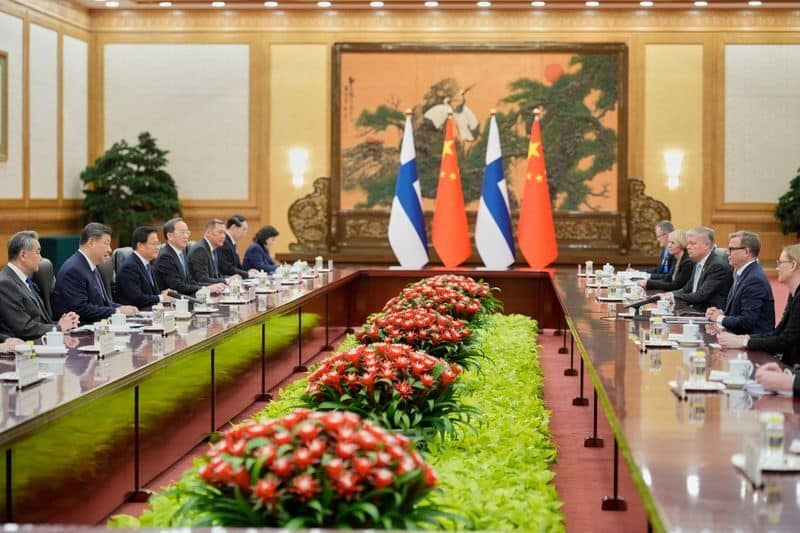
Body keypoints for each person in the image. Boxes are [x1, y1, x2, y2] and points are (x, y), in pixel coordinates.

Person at [719, 243, 800, 367]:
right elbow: (778, 333)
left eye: (780, 263)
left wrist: (743, 342)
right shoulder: (793, 294)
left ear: (793, 265)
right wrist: (743, 338)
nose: (777, 268)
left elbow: (785, 340)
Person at [0, 231, 80, 340]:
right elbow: (24, 328)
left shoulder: (28, 282)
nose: (41, 258)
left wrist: (63, 323)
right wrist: (59, 327)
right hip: (21, 347)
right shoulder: (5, 283)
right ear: (23, 255)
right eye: (38, 252)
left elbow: (41, 322)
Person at [52, 223, 137, 324]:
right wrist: (117, 311)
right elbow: (81, 309)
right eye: (106, 243)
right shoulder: (73, 270)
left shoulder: (91, 265)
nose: (110, 249)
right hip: (79, 329)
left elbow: (103, 303)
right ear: (91, 243)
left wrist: (122, 308)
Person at [705, 231, 774, 335]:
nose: (727, 253)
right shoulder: (743, 273)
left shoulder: (754, 280)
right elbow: (738, 312)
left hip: (752, 341)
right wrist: (721, 313)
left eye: (731, 249)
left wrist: (718, 318)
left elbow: (747, 321)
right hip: (737, 336)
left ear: (746, 252)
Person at [662, 226, 732, 313]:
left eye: (692, 243)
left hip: (708, 314)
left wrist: (673, 297)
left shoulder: (717, 266)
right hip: (694, 310)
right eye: (688, 243)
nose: (688, 247)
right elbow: (687, 289)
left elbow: (701, 295)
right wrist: (669, 294)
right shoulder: (697, 262)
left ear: (706, 245)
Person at [155, 218, 226, 296]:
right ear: (170, 236)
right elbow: (178, 286)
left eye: (187, 232)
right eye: (182, 232)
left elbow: (190, 282)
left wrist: (209, 287)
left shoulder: (182, 253)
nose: (186, 236)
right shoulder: (165, 256)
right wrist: (206, 289)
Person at [115, 226, 171, 308]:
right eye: (154, 244)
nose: (157, 247)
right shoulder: (129, 267)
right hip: (135, 313)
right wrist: (161, 297)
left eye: (158, 244)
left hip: (150, 311)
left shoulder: (147, 264)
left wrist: (164, 295)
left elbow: (151, 294)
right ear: (140, 245)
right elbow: (137, 298)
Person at [187, 219, 234, 285]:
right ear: (208, 233)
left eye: (224, 233)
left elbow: (216, 276)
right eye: (220, 232)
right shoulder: (200, 249)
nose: (223, 236)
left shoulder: (213, 248)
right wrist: (227, 281)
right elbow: (203, 279)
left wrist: (230, 279)